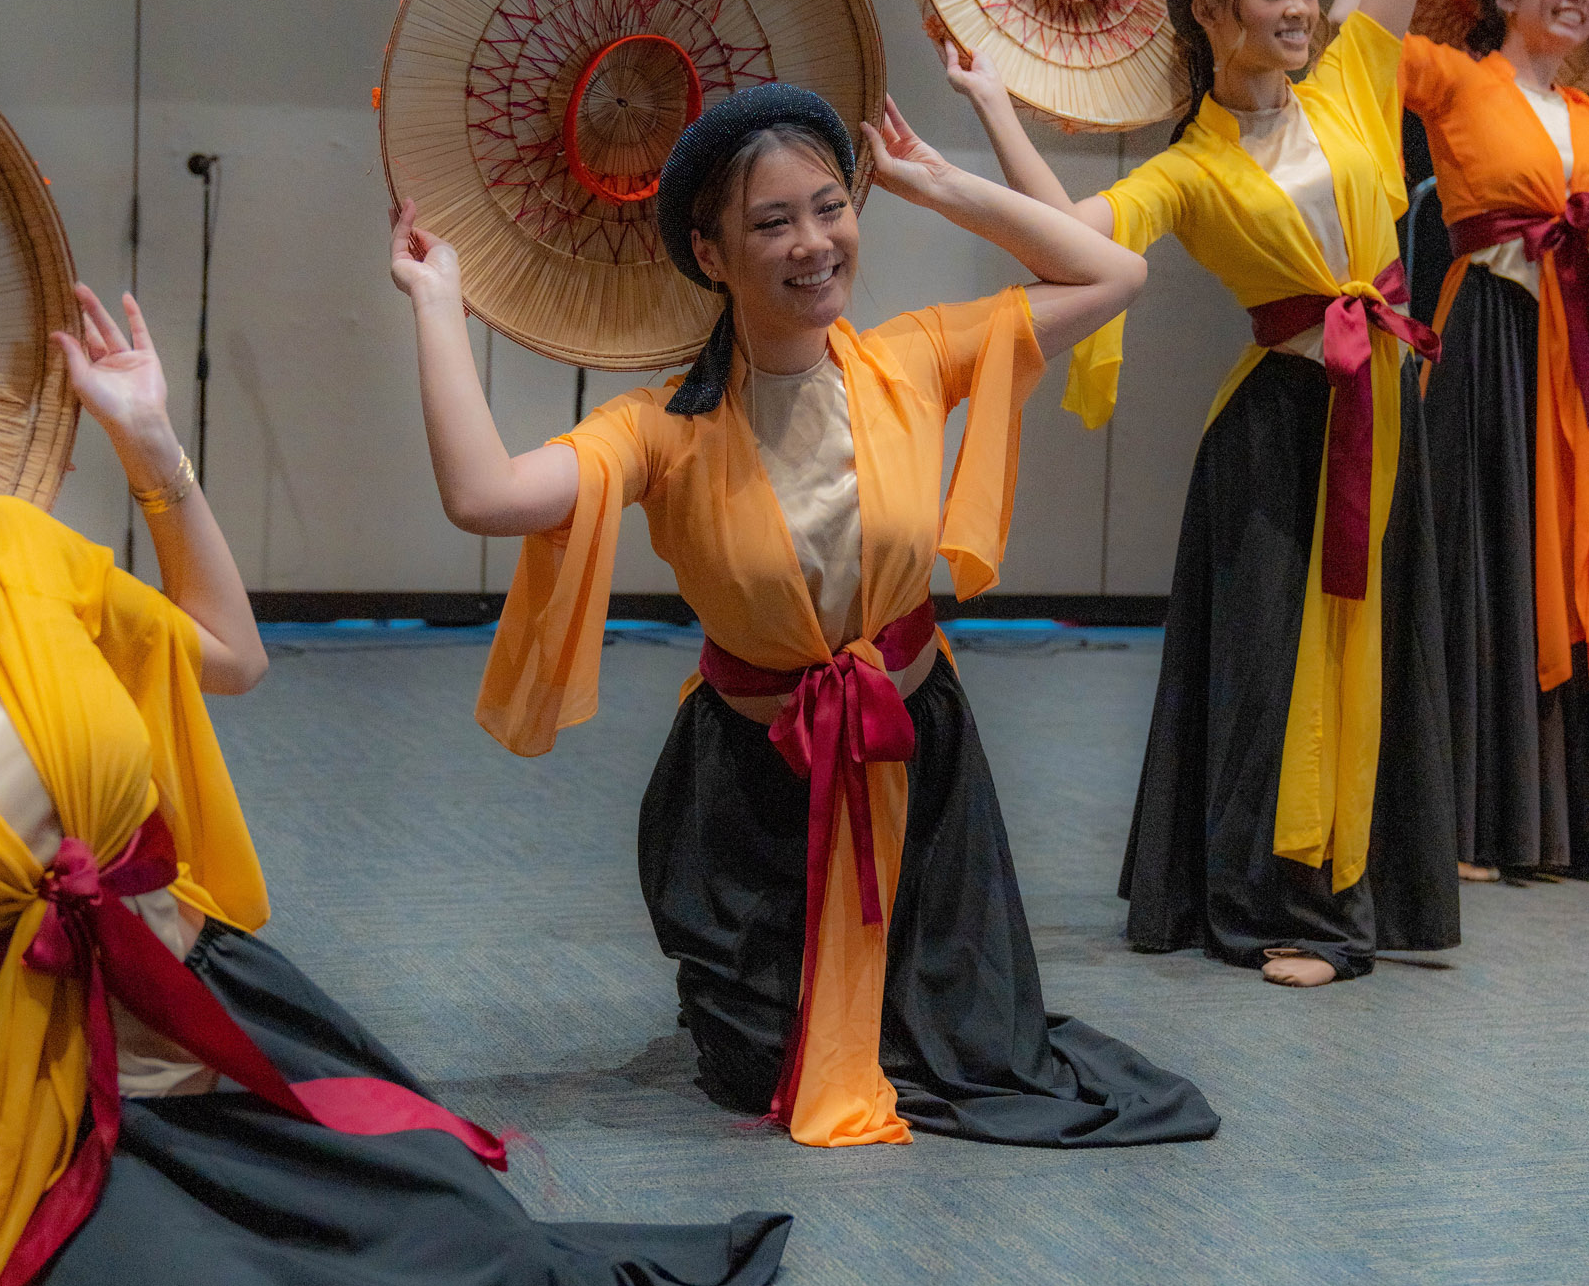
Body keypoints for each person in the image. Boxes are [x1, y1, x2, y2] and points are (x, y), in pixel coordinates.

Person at [0, 235, 789, 1286]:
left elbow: (229, 652)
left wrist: (153, 446)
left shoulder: (13, 550)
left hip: (207, 1008)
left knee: (486, 1252)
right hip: (31, 1094)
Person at [395, 79, 1219, 1151]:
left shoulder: (914, 358)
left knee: (974, 1054)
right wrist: (432, 303)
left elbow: (1116, 270)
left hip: (917, 768)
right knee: (753, 1072)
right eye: (772, 222)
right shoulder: (659, 430)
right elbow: (485, 496)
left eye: (830, 208)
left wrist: (936, 183)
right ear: (711, 254)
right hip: (752, 789)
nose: (812, 243)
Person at [946, 0, 1460, 986]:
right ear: (1208, 14)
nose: (1294, 9)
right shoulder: (1187, 166)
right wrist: (990, 116)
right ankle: (1277, 906)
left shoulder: (1346, 83)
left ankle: (1357, 885)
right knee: (1274, 666)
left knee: (1372, 652)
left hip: (1381, 417)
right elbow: (1066, 240)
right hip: (1278, 434)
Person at [1331, 0, 1589, 879]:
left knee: (1567, 561)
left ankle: (1558, 825)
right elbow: (1350, 40)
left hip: (1574, 354)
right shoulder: (1451, 75)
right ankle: (1472, 822)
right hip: (1486, 339)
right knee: (1480, 562)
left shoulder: (1585, 109)